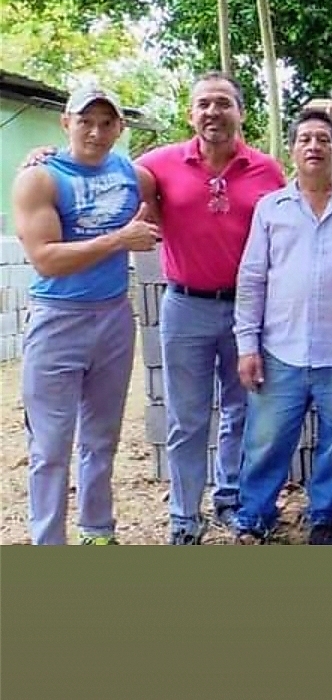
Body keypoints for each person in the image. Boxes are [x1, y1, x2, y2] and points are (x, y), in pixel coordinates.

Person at [231, 107, 332, 544]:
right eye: (305, 139)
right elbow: (252, 279)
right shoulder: (271, 209)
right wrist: (247, 345)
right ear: (292, 150)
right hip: (279, 349)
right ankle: (256, 516)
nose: (314, 146)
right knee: (265, 442)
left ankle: (323, 519)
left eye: (323, 139)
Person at [138, 74, 285, 542]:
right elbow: (100, 171)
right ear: (190, 114)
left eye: (223, 103)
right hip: (185, 306)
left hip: (248, 310)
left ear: (240, 112)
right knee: (187, 418)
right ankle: (184, 516)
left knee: (243, 411)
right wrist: (48, 159)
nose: (212, 112)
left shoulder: (267, 171)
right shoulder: (158, 164)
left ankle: (231, 498)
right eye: (203, 104)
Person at [12, 84, 161, 544]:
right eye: (85, 121)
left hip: (113, 316)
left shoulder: (133, 174)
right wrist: (119, 240)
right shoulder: (39, 178)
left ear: (120, 127)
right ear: (66, 123)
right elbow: (46, 259)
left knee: (101, 438)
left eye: (106, 122)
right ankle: (49, 543)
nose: (95, 132)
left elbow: (166, 198)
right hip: (57, 318)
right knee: (50, 445)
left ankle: (97, 531)